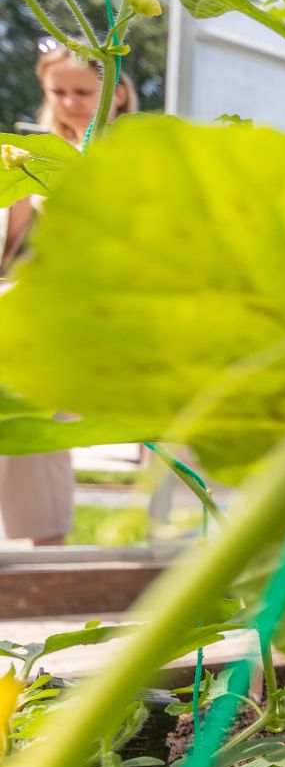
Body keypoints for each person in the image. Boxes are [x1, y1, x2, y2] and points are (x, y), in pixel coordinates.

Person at [0, 38, 138, 547]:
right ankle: (39, 549)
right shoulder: (29, 153)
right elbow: (11, 236)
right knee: (21, 421)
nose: (72, 102)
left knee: (39, 420)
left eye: (84, 91)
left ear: (117, 93)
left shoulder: (127, 155)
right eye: (59, 90)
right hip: (23, 301)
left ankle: (47, 551)